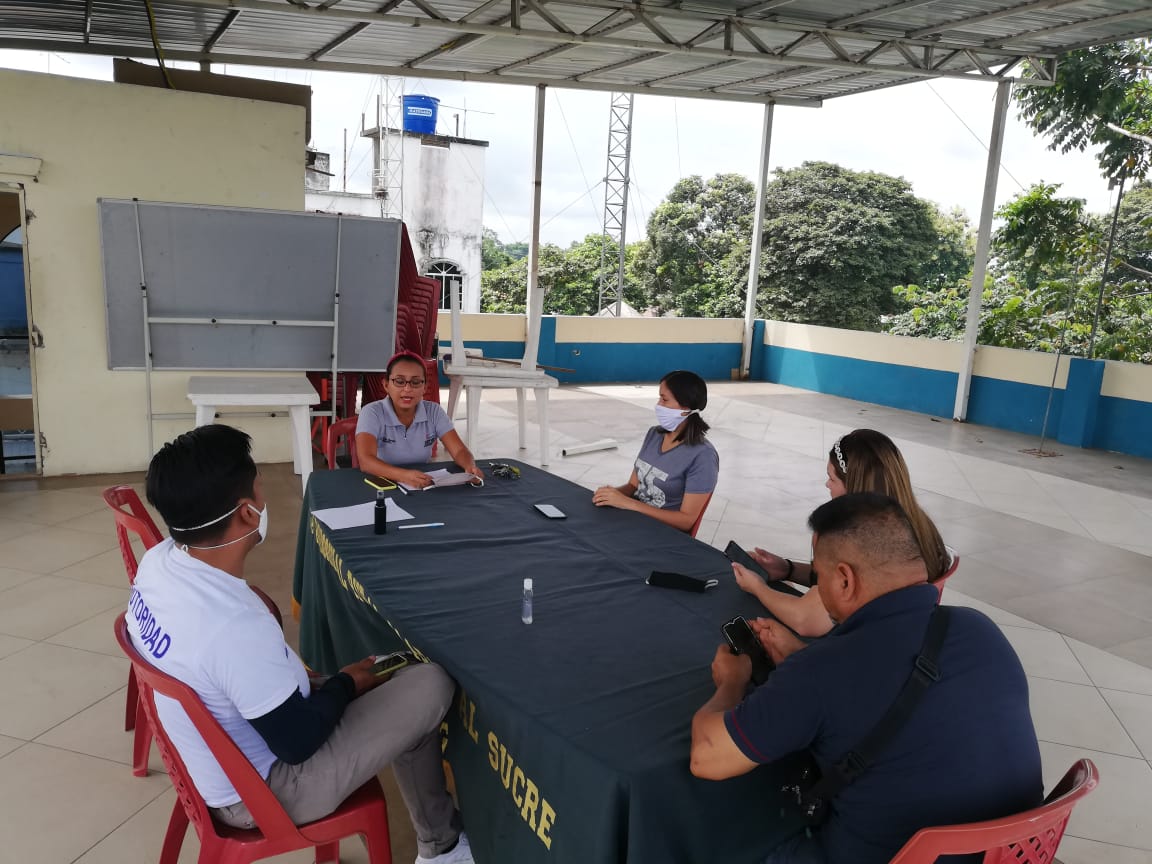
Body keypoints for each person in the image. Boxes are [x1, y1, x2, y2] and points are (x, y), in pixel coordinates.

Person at [128, 424, 473, 864]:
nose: (265, 497)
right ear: (247, 513)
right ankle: (441, 848)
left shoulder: (158, 563)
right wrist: (345, 683)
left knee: (394, 681)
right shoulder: (233, 626)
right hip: (263, 793)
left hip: (213, 761)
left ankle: (439, 835)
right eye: (260, 486)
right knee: (429, 684)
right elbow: (297, 742)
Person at [691, 493, 1042, 864]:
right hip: (1016, 852)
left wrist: (731, 681)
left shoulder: (823, 670)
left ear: (845, 579)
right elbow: (883, 687)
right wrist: (801, 658)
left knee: (734, 838)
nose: (818, 587)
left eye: (819, 576)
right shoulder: (980, 628)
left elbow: (707, 758)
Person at [732, 429, 949, 637]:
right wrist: (788, 569)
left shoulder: (858, 541)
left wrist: (757, 587)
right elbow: (844, 584)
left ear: (854, 487)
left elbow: (805, 619)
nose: (827, 484)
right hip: (906, 634)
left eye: (832, 479)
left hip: (866, 643)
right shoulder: (918, 524)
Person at [592, 370, 719, 533]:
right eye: (659, 398)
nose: (658, 405)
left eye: (664, 399)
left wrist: (628, 503)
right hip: (633, 520)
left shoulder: (703, 456)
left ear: (685, 406)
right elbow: (633, 485)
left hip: (661, 534)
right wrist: (611, 495)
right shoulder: (655, 434)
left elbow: (686, 521)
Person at [356, 351, 483, 489]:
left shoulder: (433, 412)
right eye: (399, 381)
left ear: (425, 388)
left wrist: (470, 467)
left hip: (421, 485)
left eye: (416, 382)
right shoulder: (372, 412)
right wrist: (403, 476)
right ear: (386, 385)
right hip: (381, 484)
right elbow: (366, 461)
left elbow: (459, 451)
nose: (407, 389)